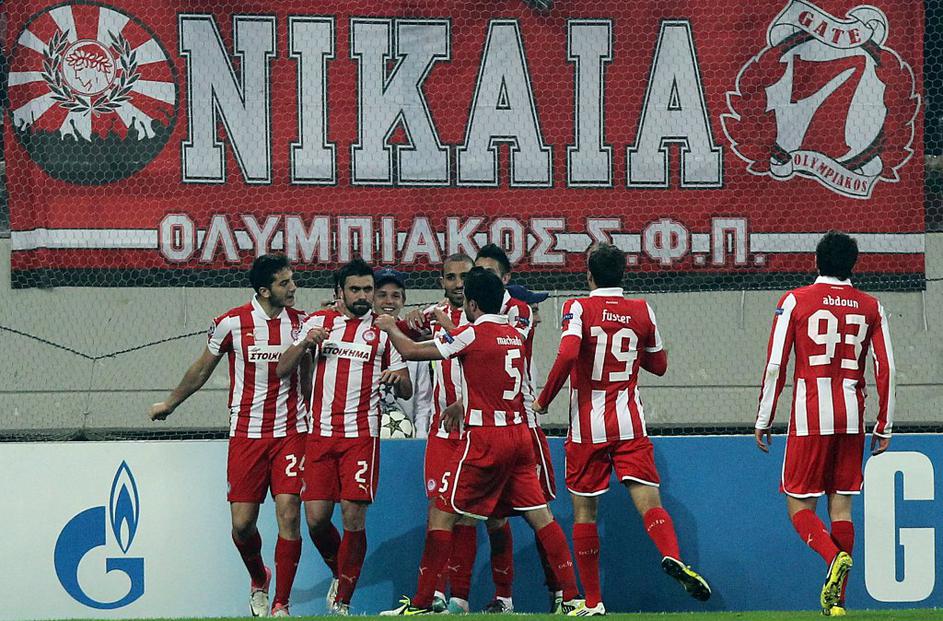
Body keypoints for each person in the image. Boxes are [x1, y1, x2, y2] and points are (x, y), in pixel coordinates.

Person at [375, 267, 585, 615]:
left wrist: (390, 328)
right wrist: (445, 321)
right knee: (541, 518)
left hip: (484, 439)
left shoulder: (471, 334)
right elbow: (472, 346)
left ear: (471, 304)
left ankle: (422, 602)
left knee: (442, 516)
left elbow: (410, 351)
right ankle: (574, 599)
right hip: (519, 437)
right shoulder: (513, 333)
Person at [534, 243, 712, 616]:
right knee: (650, 504)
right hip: (630, 423)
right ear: (623, 274)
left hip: (588, 427)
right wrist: (628, 347)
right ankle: (671, 555)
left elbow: (568, 353)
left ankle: (593, 602)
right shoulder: (642, 310)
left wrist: (544, 398)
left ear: (588, 274)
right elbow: (659, 366)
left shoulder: (578, 307)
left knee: (585, 514)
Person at [148, 254, 311, 617]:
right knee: (242, 525)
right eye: (285, 283)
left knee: (289, 513)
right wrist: (170, 403)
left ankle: (281, 604)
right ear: (264, 290)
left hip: (291, 432)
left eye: (292, 280)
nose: (293, 288)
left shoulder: (302, 323)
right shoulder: (231, 323)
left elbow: (312, 369)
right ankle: (259, 577)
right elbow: (201, 369)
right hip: (246, 434)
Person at [754, 231, 895, 616]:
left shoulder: (795, 300)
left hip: (810, 416)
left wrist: (764, 417)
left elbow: (775, 365)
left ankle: (833, 557)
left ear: (815, 261)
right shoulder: (871, 306)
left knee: (799, 506)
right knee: (841, 508)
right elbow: (886, 368)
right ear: (854, 265)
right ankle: (838, 604)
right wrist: (884, 424)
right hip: (852, 417)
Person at [276, 258, 413, 615]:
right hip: (319, 435)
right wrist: (304, 344)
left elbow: (407, 388)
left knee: (353, 517)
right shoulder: (318, 322)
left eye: (368, 289)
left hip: (361, 437)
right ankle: (342, 572)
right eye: (356, 289)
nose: (364, 295)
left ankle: (343, 602)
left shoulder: (385, 331)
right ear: (340, 292)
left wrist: (397, 379)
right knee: (316, 519)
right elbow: (282, 369)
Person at [474, 244, 560, 613]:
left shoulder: (513, 314)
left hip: (523, 426)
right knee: (494, 519)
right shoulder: (475, 316)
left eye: (489, 272)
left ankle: (562, 593)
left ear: (505, 278)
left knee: (540, 514)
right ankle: (504, 597)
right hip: (492, 430)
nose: (536, 314)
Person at [373, 268, 434, 437]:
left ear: (403, 300)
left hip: (404, 435)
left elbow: (423, 401)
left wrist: (420, 437)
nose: (389, 301)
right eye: (382, 295)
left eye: (395, 296)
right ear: (372, 298)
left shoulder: (414, 341)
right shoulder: (358, 337)